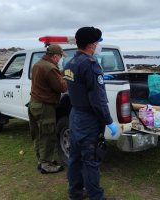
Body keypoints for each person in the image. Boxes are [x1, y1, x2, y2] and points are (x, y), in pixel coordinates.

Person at [64, 26, 117, 200]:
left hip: (75, 115)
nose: (98, 46)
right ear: (91, 44)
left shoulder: (70, 62)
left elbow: (78, 86)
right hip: (88, 119)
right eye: (97, 42)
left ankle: (75, 192)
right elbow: (98, 100)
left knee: (75, 157)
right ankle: (96, 196)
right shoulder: (91, 65)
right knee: (90, 159)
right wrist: (109, 120)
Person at [28, 44, 67, 174]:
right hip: (44, 106)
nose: (61, 59)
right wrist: (70, 77)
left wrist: (61, 72)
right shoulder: (50, 68)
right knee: (48, 134)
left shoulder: (38, 64)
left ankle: (42, 160)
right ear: (56, 56)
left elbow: (51, 77)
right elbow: (61, 87)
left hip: (34, 104)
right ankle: (46, 164)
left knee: (38, 134)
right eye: (61, 57)